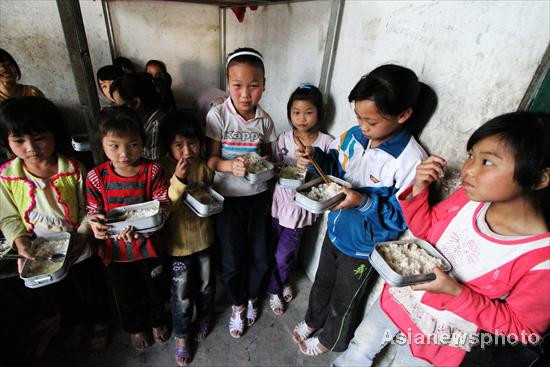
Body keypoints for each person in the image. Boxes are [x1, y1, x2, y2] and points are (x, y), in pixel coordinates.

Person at [333, 112, 550, 367]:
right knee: (361, 345)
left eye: (488, 162)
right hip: (404, 299)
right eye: (472, 156)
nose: (468, 169)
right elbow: (425, 233)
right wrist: (418, 190)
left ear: (539, 178)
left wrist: (456, 293)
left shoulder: (540, 259)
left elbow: (523, 329)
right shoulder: (468, 200)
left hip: (440, 337)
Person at [293, 64, 430, 356]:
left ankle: (333, 339)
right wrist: (314, 156)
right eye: (358, 116)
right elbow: (332, 167)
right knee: (322, 281)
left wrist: (363, 202)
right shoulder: (354, 136)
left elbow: (397, 218)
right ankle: (312, 320)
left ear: (403, 115)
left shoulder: (409, 161)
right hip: (336, 229)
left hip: (364, 247)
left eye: (371, 121)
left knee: (345, 298)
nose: (363, 127)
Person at [0, 97, 111, 355]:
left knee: (90, 287)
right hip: (40, 252)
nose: (31, 148)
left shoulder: (72, 169)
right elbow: (8, 217)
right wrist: (20, 241)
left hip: (79, 248)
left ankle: (100, 323)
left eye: (39, 138)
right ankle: (74, 324)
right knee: (60, 293)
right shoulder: (7, 176)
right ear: (6, 141)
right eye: (19, 141)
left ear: (55, 134)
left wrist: (83, 236)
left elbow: (89, 208)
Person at [85, 107, 171, 350]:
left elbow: (163, 205)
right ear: (101, 143)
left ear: (142, 142)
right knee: (126, 293)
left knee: (154, 288)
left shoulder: (152, 171)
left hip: (149, 246)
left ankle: (156, 320)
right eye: (114, 145)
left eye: (133, 145)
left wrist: (143, 230)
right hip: (116, 252)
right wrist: (97, 224)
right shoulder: (95, 177)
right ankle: (135, 326)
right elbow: (93, 210)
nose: (124, 154)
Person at [205, 47, 276, 338]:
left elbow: (269, 157)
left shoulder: (265, 121)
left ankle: (251, 298)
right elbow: (209, 160)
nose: (246, 94)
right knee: (232, 258)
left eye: (254, 86)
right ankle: (236, 303)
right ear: (227, 83)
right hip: (227, 199)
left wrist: (267, 166)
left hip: (257, 195)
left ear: (264, 85)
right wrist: (228, 164)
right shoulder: (218, 116)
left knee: (260, 253)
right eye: (237, 86)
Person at [267, 84, 333, 315]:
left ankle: (274, 288)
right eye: (296, 112)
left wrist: (313, 164)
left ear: (319, 113)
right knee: (276, 249)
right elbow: (274, 167)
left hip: (299, 208)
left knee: (284, 252)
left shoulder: (326, 142)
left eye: (308, 112)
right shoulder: (284, 138)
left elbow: (330, 176)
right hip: (279, 202)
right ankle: (282, 280)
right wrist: (279, 168)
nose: (302, 118)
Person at [159, 110, 215, 366]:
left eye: (192, 143)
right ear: (168, 146)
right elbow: (166, 203)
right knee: (180, 293)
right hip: (177, 245)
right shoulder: (161, 169)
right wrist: (179, 178)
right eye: (178, 145)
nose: (187, 151)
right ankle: (182, 335)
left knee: (205, 285)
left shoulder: (203, 166)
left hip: (204, 240)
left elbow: (213, 195)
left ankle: (204, 317)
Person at [110, 73, 166, 160]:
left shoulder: (156, 125)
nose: (118, 111)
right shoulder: (137, 121)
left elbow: (154, 163)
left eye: (120, 106)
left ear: (136, 102)